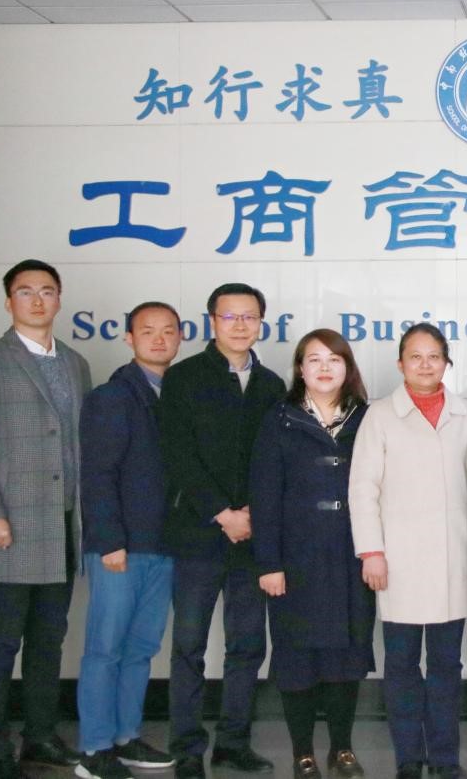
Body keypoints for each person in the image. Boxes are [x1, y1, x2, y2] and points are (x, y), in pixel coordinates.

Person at [0, 259, 91, 779]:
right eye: (26, 291)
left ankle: (40, 738)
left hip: (63, 525)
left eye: (47, 291)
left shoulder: (75, 363)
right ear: (8, 300)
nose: (37, 300)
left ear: (59, 299)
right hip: (10, 527)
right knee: (0, 640)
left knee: (48, 640)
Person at [161, 283, 287, 779]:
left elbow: (275, 461)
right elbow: (178, 454)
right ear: (212, 321)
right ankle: (187, 747)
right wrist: (221, 512)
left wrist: (253, 515)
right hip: (198, 535)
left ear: (261, 323)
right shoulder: (184, 377)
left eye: (249, 317)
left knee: (247, 646)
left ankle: (233, 742)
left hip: (252, 539)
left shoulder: (272, 385)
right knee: (189, 646)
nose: (240, 325)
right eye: (230, 316)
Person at [349, 322, 467, 779]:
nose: (425, 365)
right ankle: (408, 757)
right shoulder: (380, 415)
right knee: (401, 664)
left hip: (451, 560)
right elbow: (362, 488)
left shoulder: (463, 414)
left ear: (446, 362)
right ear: (400, 363)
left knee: (446, 664)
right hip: (397, 561)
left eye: (434, 356)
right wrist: (372, 551)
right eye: (415, 357)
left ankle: (444, 758)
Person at [250, 329, 375, 779]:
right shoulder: (279, 419)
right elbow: (264, 495)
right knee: (297, 659)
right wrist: (269, 563)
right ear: (300, 369)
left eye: (334, 360)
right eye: (314, 359)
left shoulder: (367, 419)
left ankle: (342, 748)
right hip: (296, 561)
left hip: (351, 558)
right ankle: (302, 751)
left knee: (346, 657)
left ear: (348, 368)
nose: (324, 368)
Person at [75, 302, 183, 779]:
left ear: (180, 337)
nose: (159, 339)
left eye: (168, 331)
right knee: (105, 649)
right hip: (120, 548)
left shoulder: (176, 394)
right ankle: (95, 749)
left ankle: (125, 737)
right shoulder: (112, 396)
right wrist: (109, 541)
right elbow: (97, 474)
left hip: (163, 545)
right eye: (148, 330)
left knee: (141, 649)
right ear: (129, 338)